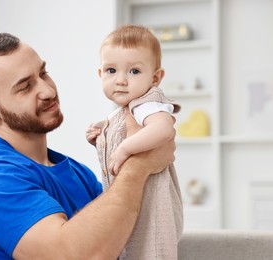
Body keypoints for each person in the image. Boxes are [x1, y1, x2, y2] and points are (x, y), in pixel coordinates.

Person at [0, 32, 177, 260]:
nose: (49, 91)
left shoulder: (76, 172)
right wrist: (139, 165)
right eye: (25, 87)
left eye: (43, 74)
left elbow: (122, 241)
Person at [86, 24, 183, 259]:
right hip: (133, 207)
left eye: (134, 72)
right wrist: (100, 135)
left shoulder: (148, 103)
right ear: (100, 74)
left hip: (154, 209)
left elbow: (163, 129)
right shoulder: (123, 111)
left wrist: (124, 148)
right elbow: (121, 130)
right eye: (111, 70)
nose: (120, 80)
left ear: (155, 77)